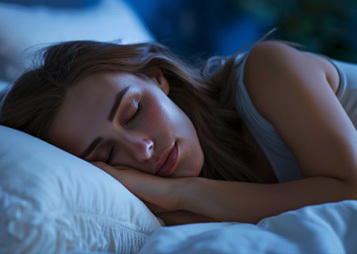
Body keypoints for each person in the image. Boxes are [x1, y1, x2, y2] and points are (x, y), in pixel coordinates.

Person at [1, 34, 357, 226]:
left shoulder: (268, 69)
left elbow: (351, 192)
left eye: (134, 111)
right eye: (108, 155)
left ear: (158, 79)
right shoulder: (165, 210)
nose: (141, 150)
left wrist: (184, 191)